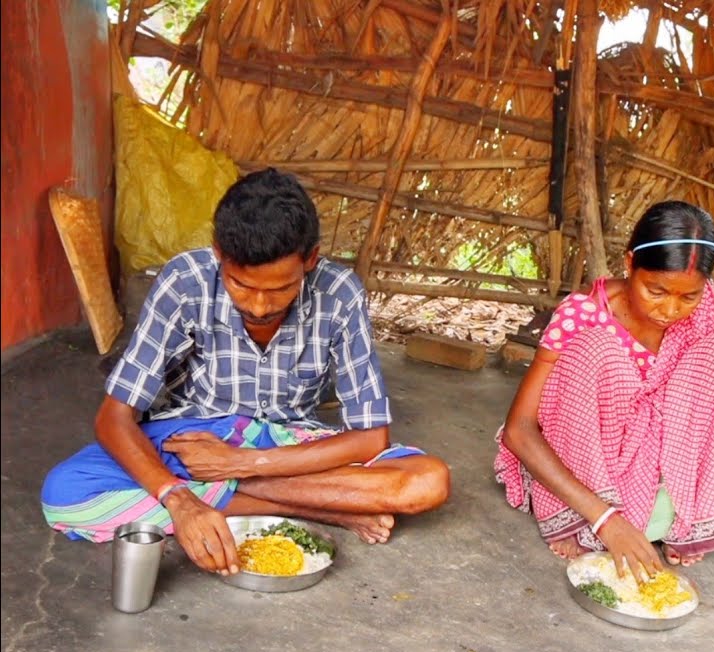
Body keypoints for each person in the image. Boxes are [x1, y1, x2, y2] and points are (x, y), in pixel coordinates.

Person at [42, 169, 450, 575]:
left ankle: (245, 498)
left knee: (426, 482)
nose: (258, 306)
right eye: (240, 285)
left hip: (284, 447)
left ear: (310, 259)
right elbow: (114, 418)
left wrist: (242, 463)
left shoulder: (339, 293)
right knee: (64, 494)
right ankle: (327, 508)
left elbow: (370, 437)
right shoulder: (184, 282)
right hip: (192, 445)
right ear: (219, 253)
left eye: (279, 289)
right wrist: (178, 499)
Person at [495, 200, 714, 581]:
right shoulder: (583, 314)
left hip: (664, 453)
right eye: (656, 290)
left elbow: (704, 403)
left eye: (688, 296)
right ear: (629, 264)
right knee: (596, 350)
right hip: (596, 459)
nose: (670, 309)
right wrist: (606, 519)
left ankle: (684, 515)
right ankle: (582, 516)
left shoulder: (710, 307)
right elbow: (519, 429)